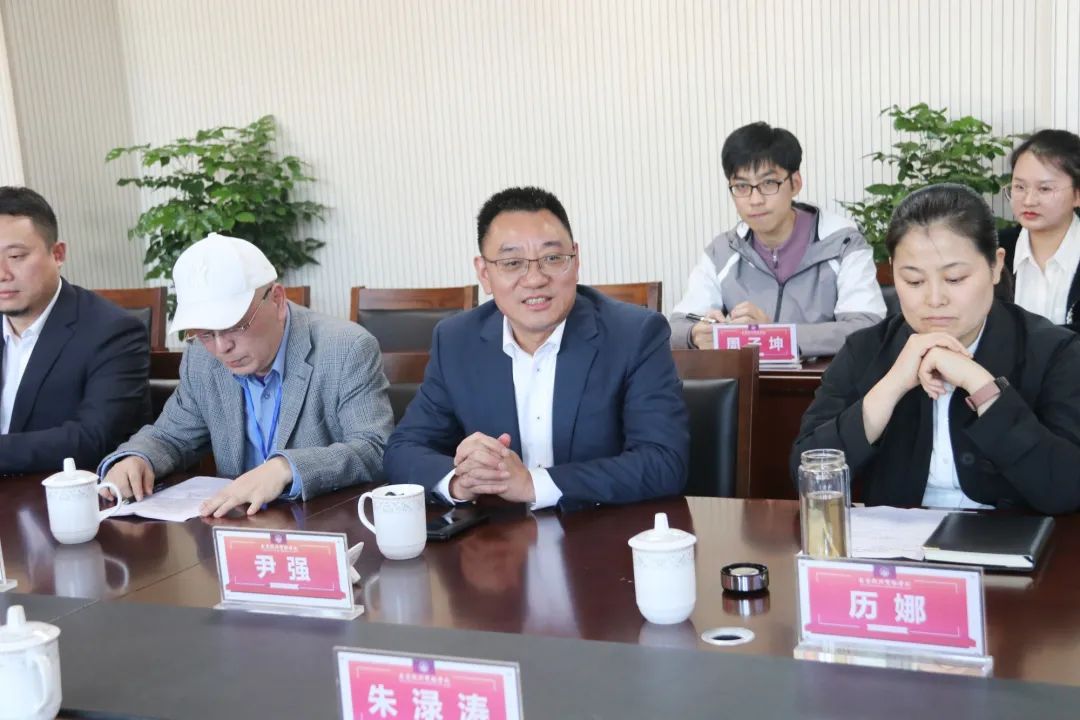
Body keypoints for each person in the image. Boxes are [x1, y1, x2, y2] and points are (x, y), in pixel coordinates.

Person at [384, 186, 689, 511]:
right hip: (498, 537)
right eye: (512, 262)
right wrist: (461, 481)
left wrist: (533, 484)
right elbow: (403, 449)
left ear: (575, 261)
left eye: (552, 258)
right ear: (485, 273)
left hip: (602, 531)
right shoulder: (457, 340)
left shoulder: (634, 334)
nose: (534, 279)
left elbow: (664, 462)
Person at [793, 184, 1080, 514]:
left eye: (955, 279)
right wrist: (891, 386)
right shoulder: (866, 350)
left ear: (995, 265)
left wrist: (981, 386)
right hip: (897, 540)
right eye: (914, 281)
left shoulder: (1053, 351)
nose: (934, 299)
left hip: (1015, 539)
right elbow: (807, 471)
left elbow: (1067, 489)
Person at [98, 233, 393, 516]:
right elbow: (170, 436)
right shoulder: (201, 358)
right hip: (235, 528)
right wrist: (137, 458)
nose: (221, 347)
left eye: (235, 326)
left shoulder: (346, 348)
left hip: (320, 526)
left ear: (277, 300)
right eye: (205, 333)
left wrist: (286, 468)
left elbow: (375, 449)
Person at [669, 122, 885, 356]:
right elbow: (676, 328)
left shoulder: (843, 244)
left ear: (795, 183)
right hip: (747, 379)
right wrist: (695, 334)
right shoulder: (722, 252)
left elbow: (867, 327)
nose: (755, 200)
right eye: (741, 186)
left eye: (768, 183)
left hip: (825, 378)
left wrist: (775, 335)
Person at [0, 186, 150, 473]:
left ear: (58, 254)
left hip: (58, 492)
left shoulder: (113, 331)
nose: (2, 274)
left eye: (16, 256)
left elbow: (93, 438)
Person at [998, 129, 1080, 332]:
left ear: (1077, 194)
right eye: (1019, 187)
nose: (1028, 201)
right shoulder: (992, 251)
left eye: (1044, 189)